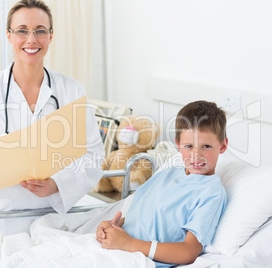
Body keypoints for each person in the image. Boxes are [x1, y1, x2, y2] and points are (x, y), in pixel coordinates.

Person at [0, 0, 105, 235]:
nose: (31, 39)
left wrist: (57, 184)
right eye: (22, 30)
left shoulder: (72, 92)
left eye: (40, 31)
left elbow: (93, 155)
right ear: (9, 35)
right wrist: (10, 165)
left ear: (50, 36)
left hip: (53, 224)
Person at [96, 100, 228, 267]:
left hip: (137, 259)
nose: (196, 155)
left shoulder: (211, 192)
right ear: (178, 144)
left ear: (223, 145)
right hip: (115, 250)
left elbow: (189, 251)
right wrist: (110, 229)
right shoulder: (166, 175)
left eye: (206, 146)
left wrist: (128, 244)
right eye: (189, 146)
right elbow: (137, 216)